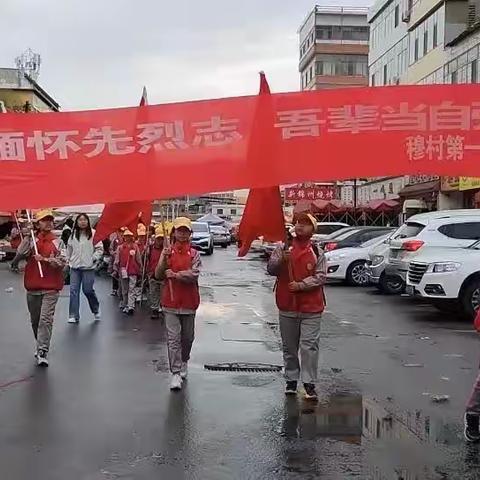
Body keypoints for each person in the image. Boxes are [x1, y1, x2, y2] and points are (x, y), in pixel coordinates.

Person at [267, 213, 326, 401]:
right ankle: (291, 379)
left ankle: (309, 383)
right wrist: (279, 260)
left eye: (305, 224)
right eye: (298, 223)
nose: (300, 226)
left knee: (309, 346)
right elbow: (271, 269)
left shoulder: (317, 250)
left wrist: (301, 285)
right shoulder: (283, 247)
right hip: (287, 305)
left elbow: (321, 276)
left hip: (311, 307)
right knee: (289, 346)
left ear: (312, 229)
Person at [15, 209, 66, 367]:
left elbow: (63, 262)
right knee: (35, 321)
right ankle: (40, 343)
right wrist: (28, 235)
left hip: (51, 287)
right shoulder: (32, 240)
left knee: (45, 319)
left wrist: (44, 260)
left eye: (50, 220)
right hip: (33, 286)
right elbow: (20, 252)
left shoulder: (58, 241)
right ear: (37, 223)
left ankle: (43, 350)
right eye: (44, 220)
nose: (48, 222)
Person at [156, 217, 201, 391]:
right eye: (179, 230)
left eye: (185, 231)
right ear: (174, 232)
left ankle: (184, 360)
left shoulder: (194, 253)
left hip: (189, 302)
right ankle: (175, 373)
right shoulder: (167, 252)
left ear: (190, 234)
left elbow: (194, 274)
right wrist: (163, 260)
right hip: (170, 302)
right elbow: (159, 275)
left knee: (187, 337)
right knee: (173, 339)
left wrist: (177, 275)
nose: (182, 234)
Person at [66, 213, 103, 324]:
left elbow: (100, 248)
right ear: (76, 222)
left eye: (84, 220)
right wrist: (68, 260)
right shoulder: (73, 235)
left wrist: (93, 258)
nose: (82, 222)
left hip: (88, 267)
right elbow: (69, 249)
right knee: (73, 291)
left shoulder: (93, 233)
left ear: (88, 221)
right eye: (80, 220)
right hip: (75, 267)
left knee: (88, 290)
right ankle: (73, 315)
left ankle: (95, 309)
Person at [114, 229, 142, 315]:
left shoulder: (135, 246)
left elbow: (138, 258)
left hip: (133, 270)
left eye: (130, 236)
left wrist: (141, 267)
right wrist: (115, 268)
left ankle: (131, 306)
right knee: (125, 289)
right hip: (123, 271)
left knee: (132, 288)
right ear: (124, 237)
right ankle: (125, 303)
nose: (128, 238)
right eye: (127, 236)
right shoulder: (120, 247)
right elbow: (117, 259)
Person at [147, 226, 165, 319]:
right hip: (152, 274)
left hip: (163, 275)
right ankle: (155, 309)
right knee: (153, 292)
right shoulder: (150, 248)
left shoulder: (166, 249)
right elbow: (146, 259)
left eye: (162, 239)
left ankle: (162, 308)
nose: (160, 241)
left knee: (163, 293)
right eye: (159, 239)